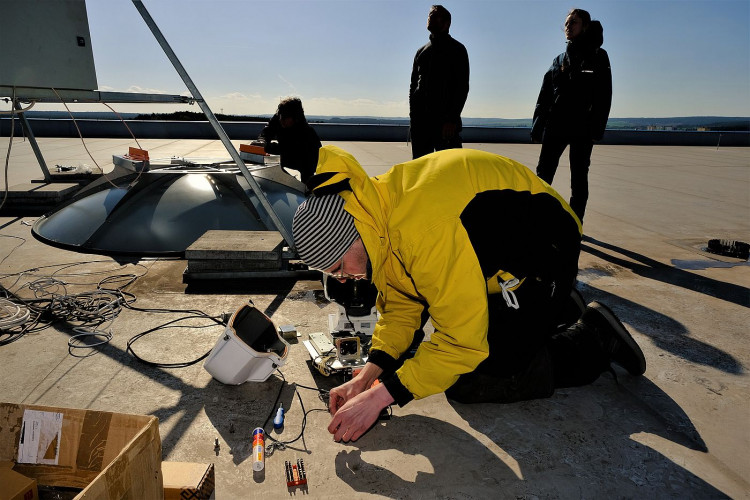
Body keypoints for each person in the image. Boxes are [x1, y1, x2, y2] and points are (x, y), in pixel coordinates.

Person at [292, 145, 646, 443]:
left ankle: (593, 335)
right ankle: (553, 309)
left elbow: (462, 342)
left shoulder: (422, 231)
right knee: (459, 356)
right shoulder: (379, 217)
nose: (342, 278)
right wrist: (367, 377)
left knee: (481, 378)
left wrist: (379, 398)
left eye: (338, 267)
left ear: (351, 234)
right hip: (493, 265)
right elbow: (402, 309)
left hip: (547, 251)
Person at [531, 9, 612, 221]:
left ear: (584, 26)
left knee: (578, 179)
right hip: (555, 126)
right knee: (543, 176)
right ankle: (539, 220)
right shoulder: (559, 60)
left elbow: (604, 95)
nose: (568, 26)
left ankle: (575, 225)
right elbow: (545, 95)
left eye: (573, 22)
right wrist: (538, 126)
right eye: (566, 23)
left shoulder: (598, 56)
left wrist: (597, 129)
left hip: (583, 129)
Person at [409, 5, 470, 159]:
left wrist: (451, 119)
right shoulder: (421, 51)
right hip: (421, 123)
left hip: (445, 125)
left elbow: (462, 87)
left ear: (446, 23)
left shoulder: (457, 49)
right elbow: (413, 86)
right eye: (429, 15)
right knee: (420, 171)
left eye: (434, 15)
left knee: (451, 171)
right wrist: (413, 117)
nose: (429, 18)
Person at [257, 97, 322, 185]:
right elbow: (268, 131)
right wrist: (262, 141)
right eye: (280, 116)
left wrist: (266, 147)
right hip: (287, 156)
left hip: (307, 159)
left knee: (306, 183)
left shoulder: (306, 132)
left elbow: (286, 148)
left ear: (296, 118)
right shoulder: (279, 117)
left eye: (285, 118)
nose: (281, 120)